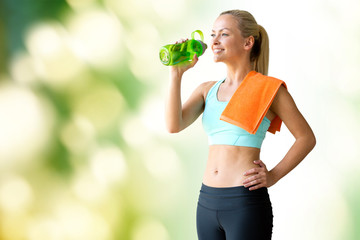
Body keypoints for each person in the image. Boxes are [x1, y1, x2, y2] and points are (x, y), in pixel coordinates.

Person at [164, 9, 316, 240]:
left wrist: (273, 176)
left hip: (244, 203)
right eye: (212, 34)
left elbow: (306, 138)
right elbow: (174, 125)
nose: (214, 41)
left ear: (248, 42)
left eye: (223, 34)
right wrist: (176, 74)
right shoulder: (207, 90)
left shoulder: (269, 90)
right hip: (206, 201)